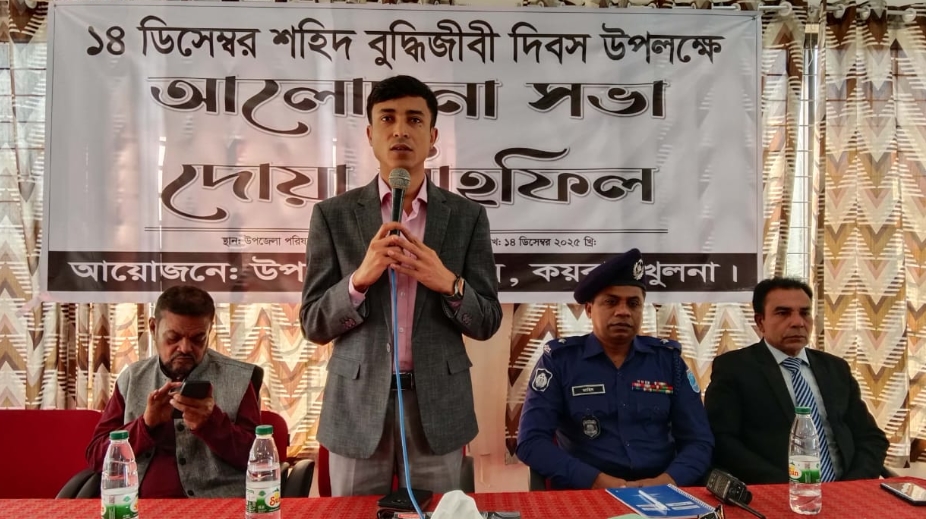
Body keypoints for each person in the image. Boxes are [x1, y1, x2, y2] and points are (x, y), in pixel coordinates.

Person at [299, 75, 502, 496]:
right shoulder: (333, 216)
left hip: (438, 408)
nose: (400, 130)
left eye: (414, 119)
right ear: (370, 135)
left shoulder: (467, 217)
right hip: (357, 407)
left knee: (439, 514)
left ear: (433, 137)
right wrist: (359, 279)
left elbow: (487, 321)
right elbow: (314, 323)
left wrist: (449, 284)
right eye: (387, 119)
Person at [516, 248, 714, 490]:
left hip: (661, 490)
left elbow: (699, 441)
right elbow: (531, 441)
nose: (623, 311)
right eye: (611, 302)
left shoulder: (668, 361)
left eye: (633, 303)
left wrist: (667, 482)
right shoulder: (559, 361)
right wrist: (596, 481)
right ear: (589, 309)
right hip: (586, 491)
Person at [704, 277, 889, 483]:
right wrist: (789, 486)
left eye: (804, 313)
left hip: (845, 488)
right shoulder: (735, 368)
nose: (798, 322)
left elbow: (871, 437)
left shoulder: (835, 369)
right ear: (760, 321)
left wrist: (852, 485)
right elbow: (722, 441)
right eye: (783, 313)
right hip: (776, 488)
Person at [86, 285, 261, 498]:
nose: (185, 348)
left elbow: (259, 460)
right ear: (153, 328)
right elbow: (97, 457)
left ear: (210, 330)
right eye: (173, 337)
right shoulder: (132, 378)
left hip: (217, 505)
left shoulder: (239, 378)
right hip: (135, 505)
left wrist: (212, 424)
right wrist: (145, 426)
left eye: (198, 339)